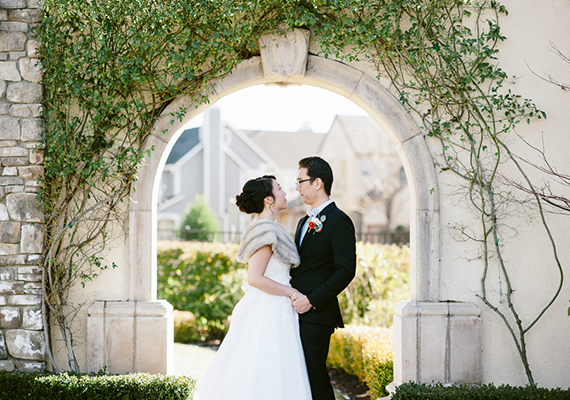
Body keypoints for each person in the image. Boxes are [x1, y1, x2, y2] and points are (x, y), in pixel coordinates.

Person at [193, 175, 312, 400]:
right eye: (279, 188)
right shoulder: (264, 230)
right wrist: (292, 292)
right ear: (268, 199)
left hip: (277, 307)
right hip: (268, 308)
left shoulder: (268, 227)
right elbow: (255, 278)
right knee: (264, 367)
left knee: (275, 370)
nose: (285, 193)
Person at [290, 156, 357, 400]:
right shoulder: (303, 222)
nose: (297, 188)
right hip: (293, 312)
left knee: (315, 377)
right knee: (297, 379)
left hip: (317, 315)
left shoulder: (339, 221)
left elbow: (345, 270)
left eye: (300, 181)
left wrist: (311, 300)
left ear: (317, 183)